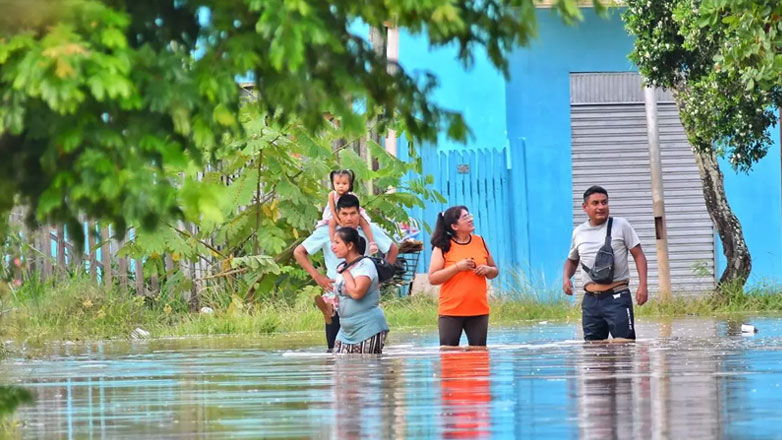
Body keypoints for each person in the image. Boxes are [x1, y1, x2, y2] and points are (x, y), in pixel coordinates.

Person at [293, 194, 398, 351]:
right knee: (335, 349)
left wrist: (379, 277)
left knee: (365, 351)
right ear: (337, 214)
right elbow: (299, 252)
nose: (349, 218)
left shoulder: (367, 233)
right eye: (344, 214)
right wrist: (317, 276)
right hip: (337, 293)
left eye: (353, 213)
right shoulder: (328, 231)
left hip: (361, 292)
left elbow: (392, 248)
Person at [562, 185, 649, 341]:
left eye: (604, 202)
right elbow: (572, 260)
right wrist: (566, 278)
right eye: (595, 203)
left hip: (617, 297)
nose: (601, 207)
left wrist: (643, 285)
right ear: (585, 207)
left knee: (625, 346)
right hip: (591, 301)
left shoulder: (621, 225)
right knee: (593, 349)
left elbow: (639, 255)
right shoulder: (578, 232)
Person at [428, 205, 499, 347]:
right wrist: (457, 267)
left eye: (469, 215)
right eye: (465, 217)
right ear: (454, 226)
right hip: (451, 311)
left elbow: (494, 271)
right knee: (449, 353)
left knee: (479, 353)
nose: (470, 219)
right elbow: (433, 278)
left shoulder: (480, 241)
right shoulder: (443, 246)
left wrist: (487, 270)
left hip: (478, 310)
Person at [331, 227, 389, 353]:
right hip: (345, 332)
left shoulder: (365, 264)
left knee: (364, 364)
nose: (333, 247)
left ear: (350, 245)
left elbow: (357, 293)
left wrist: (345, 273)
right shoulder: (342, 267)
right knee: (338, 364)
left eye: (337, 242)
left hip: (368, 329)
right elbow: (339, 297)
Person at [318, 169, 378, 255]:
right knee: (331, 223)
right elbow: (333, 210)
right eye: (337, 183)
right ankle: (333, 243)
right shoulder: (332, 195)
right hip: (335, 214)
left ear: (350, 184)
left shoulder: (352, 195)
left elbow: (356, 209)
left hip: (349, 215)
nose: (341, 186)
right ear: (333, 184)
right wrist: (339, 222)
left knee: (363, 221)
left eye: (344, 183)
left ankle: (372, 242)